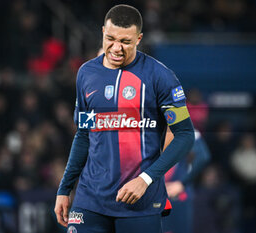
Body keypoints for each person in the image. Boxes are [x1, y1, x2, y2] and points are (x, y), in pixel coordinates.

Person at [54, 4, 195, 233]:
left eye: (125, 42)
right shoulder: (86, 74)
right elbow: (83, 135)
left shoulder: (160, 77)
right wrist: (64, 188)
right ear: (102, 32)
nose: (116, 48)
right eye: (110, 38)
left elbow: (185, 135)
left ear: (139, 38)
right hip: (90, 200)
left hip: (140, 202)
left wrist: (147, 179)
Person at [161, 129, 211, 233]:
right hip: (155, 191)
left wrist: (182, 182)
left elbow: (203, 156)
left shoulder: (182, 124)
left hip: (176, 192)